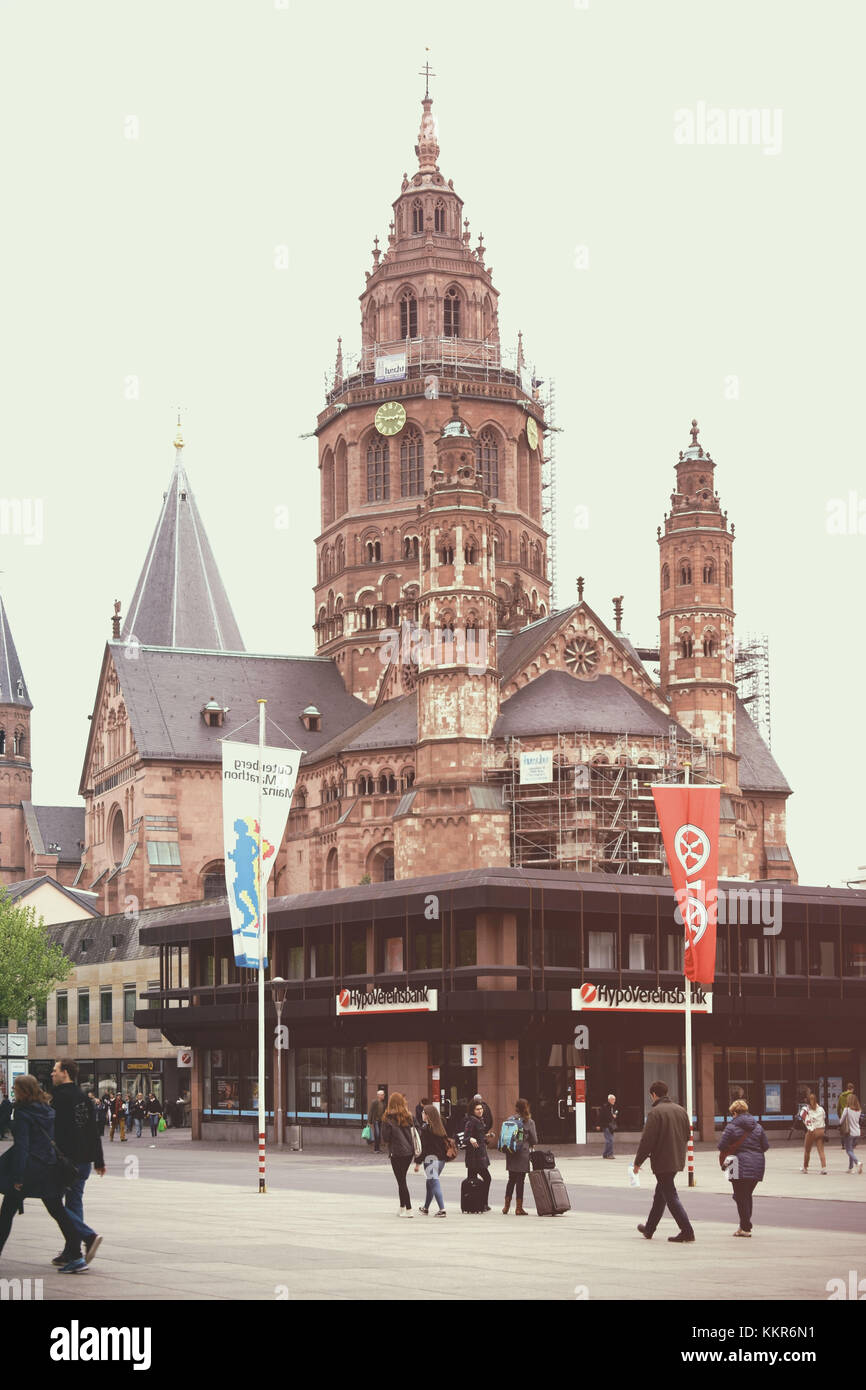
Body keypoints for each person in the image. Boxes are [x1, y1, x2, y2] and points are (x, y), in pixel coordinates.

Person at [0, 1075, 82, 1271]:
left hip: (29, 1169)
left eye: (15, 1088)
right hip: (48, 1167)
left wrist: (18, 1177)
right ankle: (77, 1254)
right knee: (57, 1211)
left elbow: (22, 1147)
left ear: (23, 1091)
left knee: (6, 1213)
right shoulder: (48, 1110)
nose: (13, 1091)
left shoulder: (23, 1113)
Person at [50, 1058, 105, 1269]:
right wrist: (98, 1160)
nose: (52, 1074)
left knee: (54, 1202)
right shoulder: (84, 1098)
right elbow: (93, 1131)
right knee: (74, 1203)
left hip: (65, 1160)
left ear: (65, 1072)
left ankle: (87, 1237)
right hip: (83, 1161)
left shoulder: (58, 1098)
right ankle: (71, 1250)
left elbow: (55, 1131)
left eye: (55, 1070)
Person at [633, 1080, 695, 1243]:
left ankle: (687, 1230)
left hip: (662, 1160)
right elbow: (687, 1136)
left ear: (653, 1094)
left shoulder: (655, 1113)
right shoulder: (681, 1110)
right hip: (676, 1159)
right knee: (660, 1195)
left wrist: (638, 1162)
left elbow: (647, 1140)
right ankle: (649, 1228)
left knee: (670, 1194)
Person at [717, 1098, 770, 1237]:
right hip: (758, 1164)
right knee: (746, 1195)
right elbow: (765, 1146)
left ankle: (746, 1227)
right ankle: (743, 1225)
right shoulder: (758, 1127)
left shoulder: (731, 1127)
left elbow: (721, 1146)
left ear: (734, 1113)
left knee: (740, 1196)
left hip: (736, 1163)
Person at [380, 1092, 419, 1216]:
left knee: (401, 1181)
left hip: (396, 1152)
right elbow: (418, 1132)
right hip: (409, 1152)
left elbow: (386, 1137)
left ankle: (408, 1208)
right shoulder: (409, 1116)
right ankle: (402, 1207)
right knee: (401, 1179)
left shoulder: (388, 1118)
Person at [502, 1097, 537, 1215]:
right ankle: (518, 1208)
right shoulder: (529, 1121)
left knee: (511, 1179)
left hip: (511, 1153)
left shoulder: (510, 1119)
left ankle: (506, 1207)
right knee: (520, 1181)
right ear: (526, 1107)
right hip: (522, 1153)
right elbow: (534, 1139)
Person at [413, 1103, 449, 1216]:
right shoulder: (441, 1127)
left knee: (434, 1182)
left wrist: (417, 1163)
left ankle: (442, 1209)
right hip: (441, 1160)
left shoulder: (426, 1129)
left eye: (423, 1112)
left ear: (427, 1115)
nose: (422, 1114)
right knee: (430, 1183)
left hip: (430, 1159)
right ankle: (426, 1207)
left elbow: (422, 1148)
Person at [465, 1100, 492, 1211]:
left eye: (481, 1108)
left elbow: (479, 1137)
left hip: (479, 1156)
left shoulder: (479, 1121)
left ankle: (475, 1204)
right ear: (473, 1110)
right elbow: (466, 1137)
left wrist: (486, 1137)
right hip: (474, 1157)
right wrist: (470, 1139)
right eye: (477, 1109)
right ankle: (482, 1203)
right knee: (486, 1178)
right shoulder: (471, 1122)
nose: (480, 1111)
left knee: (472, 1180)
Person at [799, 1093, 827, 1173]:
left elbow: (804, 1119)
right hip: (821, 1130)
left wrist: (810, 1129)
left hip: (812, 1131)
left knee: (807, 1150)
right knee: (821, 1150)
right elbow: (824, 1118)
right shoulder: (821, 1109)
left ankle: (805, 1168)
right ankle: (824, 1168)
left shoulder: (805, 1109)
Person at [839, 1094, 863, 1173]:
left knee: (848, 1150)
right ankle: (850, 1168)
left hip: (849, 1132)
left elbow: (841, 1120)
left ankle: (857, 1162)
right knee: (851, 1150)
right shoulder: (859, 1110)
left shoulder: (847, 1109)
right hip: (857, 1132)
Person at [597, 1093, 618, 1159]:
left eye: (614, 1099)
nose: (614, 1101)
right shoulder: (605, 1107)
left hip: (611, 1126)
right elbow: (601, 1116)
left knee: (609, 1140)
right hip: (606, 1125)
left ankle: (605, 1154)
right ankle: (609, 1154)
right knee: (609, 1140)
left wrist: (614, 1116)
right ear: (609, 1100)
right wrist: (598, 1125)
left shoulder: (612, 1107)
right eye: (613, 1099)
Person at [367, 1088, 386, 1154]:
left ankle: (378, 1149)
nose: (384, 1096)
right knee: (377, 1134)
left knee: (379, 1135)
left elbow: (384, 1112)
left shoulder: (383, 1103)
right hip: (375, 1121)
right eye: (383, 1095)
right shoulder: (374, 1102)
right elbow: (371, 1112)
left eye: (384, 1095)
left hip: (381, 1121)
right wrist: (369, 1122)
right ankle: (376, 1149)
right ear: (379, 1095)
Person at [837, 1082, 856, 1147]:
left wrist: (840, 1116)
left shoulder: (841, 1096)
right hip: (851, 1114)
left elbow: (838, 1107)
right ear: (852, 1089)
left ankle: (843, 1144)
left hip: (843, 1114)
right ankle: (852, 1144)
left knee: (843, 1130)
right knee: (852, 1129)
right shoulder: (852, 1096)